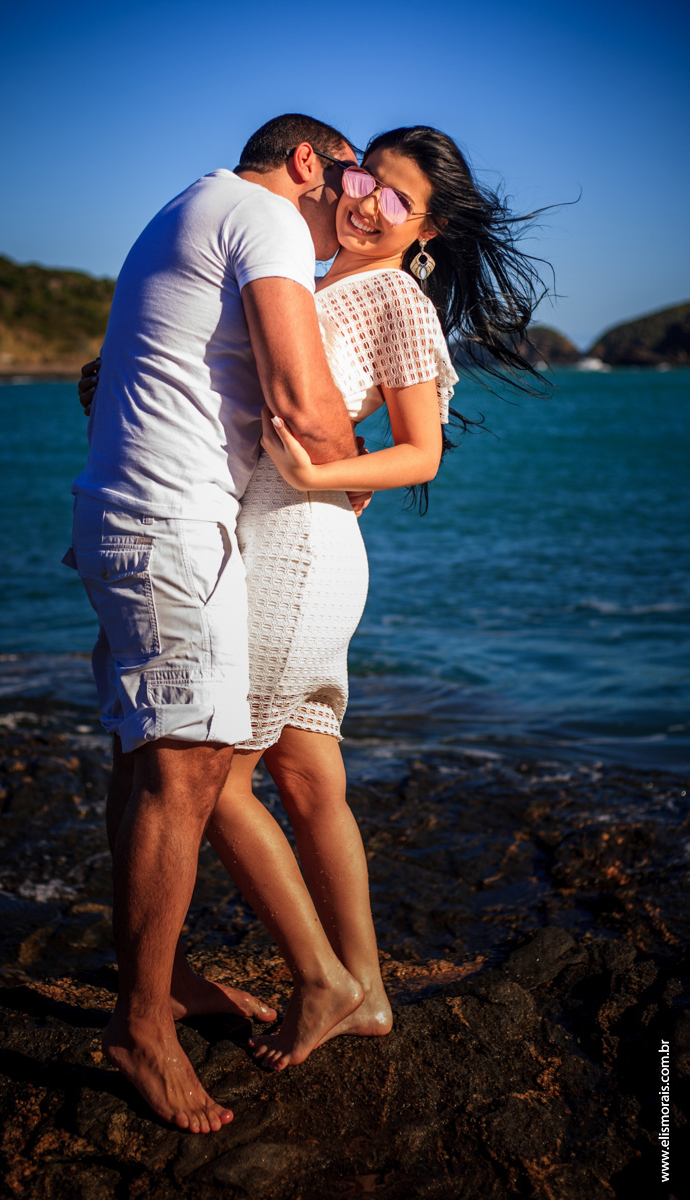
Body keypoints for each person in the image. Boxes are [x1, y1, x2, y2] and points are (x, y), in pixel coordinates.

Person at [78, 126, 549, 1076]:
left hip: (298, 544)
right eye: (367, 180)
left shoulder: (394, 296)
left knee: (216, 779)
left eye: (399, 201)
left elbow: (422, 451)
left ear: (428, 229)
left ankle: (324, 981)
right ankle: (366, 989)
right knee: (307, 775)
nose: (370, 204)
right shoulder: (306, 272)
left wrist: (328, 471)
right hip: (265, 530)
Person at [66, 113, 368, 1134]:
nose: (353, 208)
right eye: (349, 181)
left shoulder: (188, 205)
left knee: (148, 760)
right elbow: (299, 390)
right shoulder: (266, 216)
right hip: (169, 526)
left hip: (130, 514)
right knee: (190, 768)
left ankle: (166, 981)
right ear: (306, 163)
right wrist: (354, 475)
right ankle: (140, 1027)